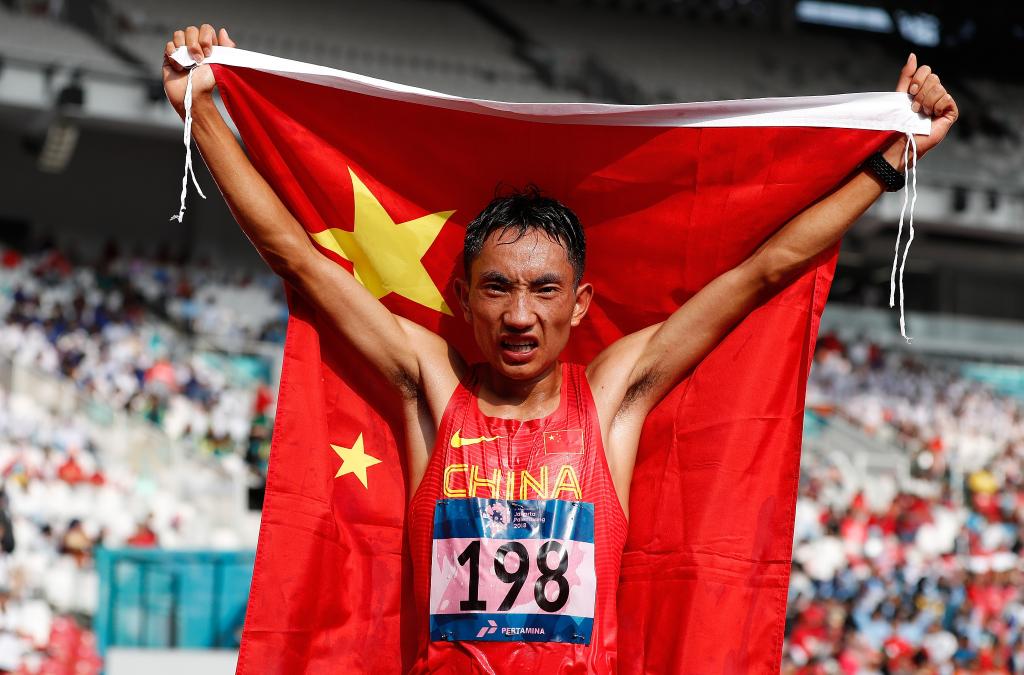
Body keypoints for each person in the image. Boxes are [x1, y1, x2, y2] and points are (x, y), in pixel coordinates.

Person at [163, 24, 958, 674]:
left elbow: (765, 271)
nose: (520, 314)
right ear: (462, 300)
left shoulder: (611, 397)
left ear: (579, 305)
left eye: (544, 290)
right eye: (497, 288)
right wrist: (199, 110)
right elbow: (299, 258)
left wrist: (893, 158)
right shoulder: (429, 386)